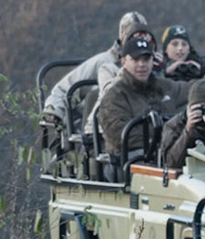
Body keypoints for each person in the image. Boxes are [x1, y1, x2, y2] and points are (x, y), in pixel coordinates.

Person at [41, 10, 146, 143]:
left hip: (138, 131)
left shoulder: (150, 65)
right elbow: (65, 88)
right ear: (123, 36)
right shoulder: (103, 62)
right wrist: (53, 111)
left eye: (143, 36)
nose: (138, 41)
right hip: (95, 134)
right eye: (133, 35)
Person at [89, 27, 180, 157]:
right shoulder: (114, 95)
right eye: (136, 60)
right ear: (123, 62)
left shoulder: (162, 87)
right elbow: (121, 137)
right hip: (128, 160)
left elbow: (192, 89)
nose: (142, 65)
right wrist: (165, 139)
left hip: (163, 154)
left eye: (146, 59)